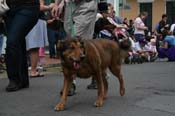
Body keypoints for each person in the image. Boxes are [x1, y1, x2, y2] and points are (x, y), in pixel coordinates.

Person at [52, 0, 97, 95]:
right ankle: (98, 73)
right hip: (69, 4)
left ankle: (71, 83)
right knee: (76, 41)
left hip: (86, 4)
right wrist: (58, 4)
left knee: (76, 40)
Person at [4, 0, 40, 92]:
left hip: (28, 7)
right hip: (9, 9)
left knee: (12, 41)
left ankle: (14, 79)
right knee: (18, 41)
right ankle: (22, 80)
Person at [26, 0, 53, 78]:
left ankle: (29, 70)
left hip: (26, 19)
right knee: (34, 47)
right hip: (35, 20)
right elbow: (40, 7)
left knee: (28, 46)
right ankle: (33, 71)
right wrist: (50, 7)